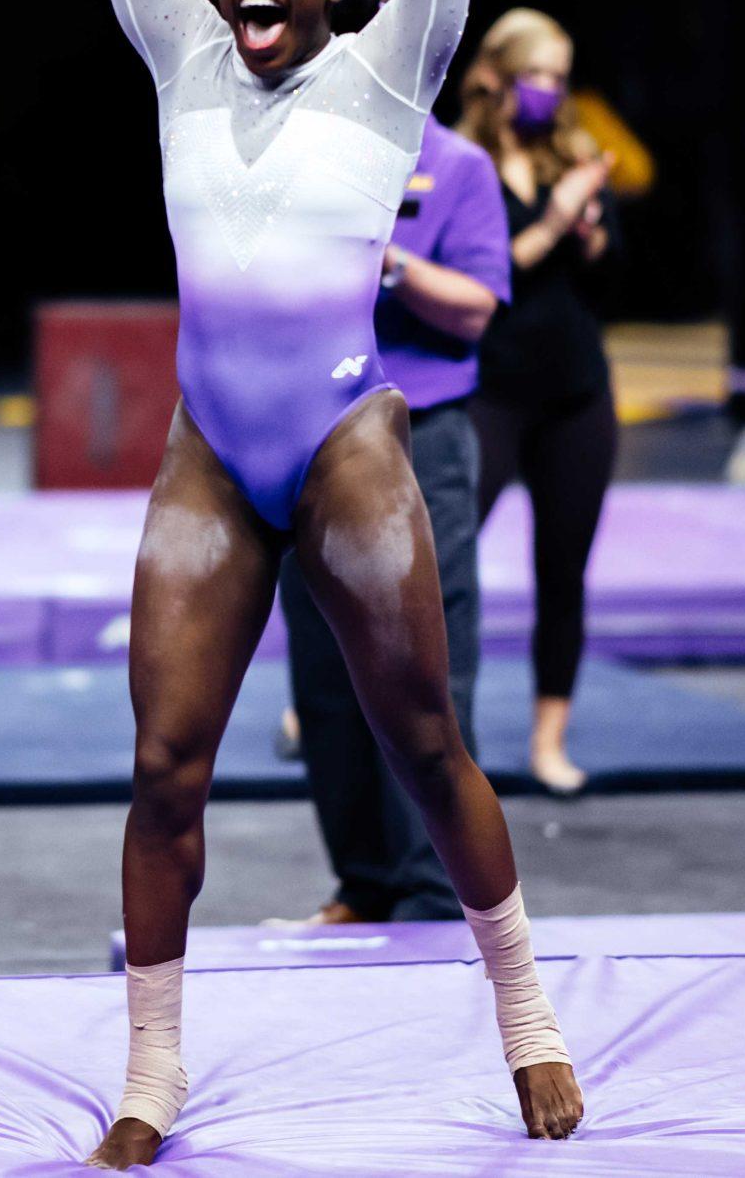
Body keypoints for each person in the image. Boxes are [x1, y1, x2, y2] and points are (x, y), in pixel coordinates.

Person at [0, 0, 651, 1166]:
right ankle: (151, 1071)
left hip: (344, 440)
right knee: (165, 765)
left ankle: (527, 1012)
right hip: (209, 452)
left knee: (426, 743)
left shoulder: (391, 74)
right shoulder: (182, 51)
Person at [278, 118, 511, 924]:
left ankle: (430, 889)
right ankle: (366, 881)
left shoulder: (459, 165)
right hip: (309, 426)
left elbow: (477, 310)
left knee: (426, 665)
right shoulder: (295, 150)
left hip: (421, 434)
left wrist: (389, 263)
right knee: (321, 666)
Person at [456, 9, 619, 798]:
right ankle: (357, 701)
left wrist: (589, 230)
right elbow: (487, 275)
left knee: (565, 570)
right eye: (538, 76)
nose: (552, 92)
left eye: (561, 77)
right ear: (497, 76)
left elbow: (606, 263)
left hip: (575, 390)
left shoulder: (575, 153)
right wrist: (556, 223)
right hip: (487, 388)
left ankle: (549, 739)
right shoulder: (463, 162)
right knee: (435, 562)